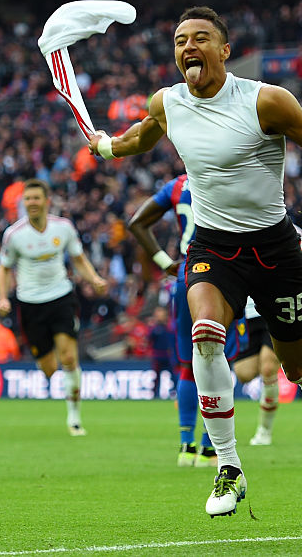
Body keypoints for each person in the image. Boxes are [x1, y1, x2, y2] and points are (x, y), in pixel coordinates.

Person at [85, 6, 302, 517]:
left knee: (296, 366)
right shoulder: (168, 102)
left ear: (225, 50)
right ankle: (229, 467)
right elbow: (142, 135)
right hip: (211, 247)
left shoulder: (266, 101)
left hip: (274, 250)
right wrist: (109, 146)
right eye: (180, 41)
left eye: (201, 38)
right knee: (205, 334)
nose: (188, 48)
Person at [127, 174, 233, 468]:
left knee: (188, 364)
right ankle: (211, 448)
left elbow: (136, 223)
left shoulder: (177, 185)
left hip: (187, 274)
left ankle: (186, 446)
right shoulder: (230, 173)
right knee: (220, 358)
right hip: (224, 272)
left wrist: (165, 263)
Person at [0, 178, 107, 436]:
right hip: (31, 304)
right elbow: (4, 268)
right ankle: (54, 370)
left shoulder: (64, 228)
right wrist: (3, 297)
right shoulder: (14, 234)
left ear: (47, 202)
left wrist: (94, 279)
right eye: (28, 199)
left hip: (61, 297)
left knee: (69, 357)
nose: (32, 203)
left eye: (36, 198)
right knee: (49, 369)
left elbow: (78, 259)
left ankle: (75, 419)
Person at [234, 223, 302, 447]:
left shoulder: (294, 232)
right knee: (244, 373)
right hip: (248, 312)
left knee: (268, 368)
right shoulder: (238, 227)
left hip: (276, 306)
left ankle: (264, 431)